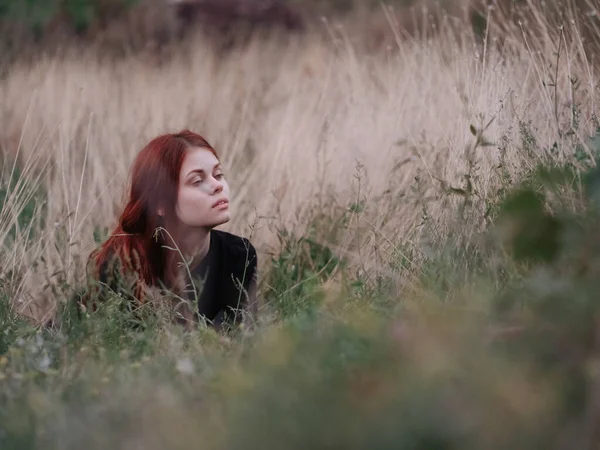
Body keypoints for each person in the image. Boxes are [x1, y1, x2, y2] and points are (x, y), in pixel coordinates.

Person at [82, 129, 258, 332]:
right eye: (197, 181)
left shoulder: (239, 255)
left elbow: (228, 340)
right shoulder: (122, 266)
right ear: (160, 203)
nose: (217, 185)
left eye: (218, 174)